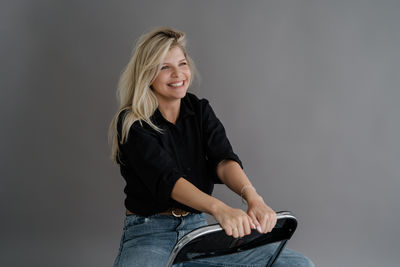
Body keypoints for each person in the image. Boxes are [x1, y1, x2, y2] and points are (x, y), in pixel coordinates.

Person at [109, 26, 314, 267]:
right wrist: (219, 209)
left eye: (182, 64)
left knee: (297, 265)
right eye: (165, 67)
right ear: (147, 74)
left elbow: (223, 159)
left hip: (198, 232)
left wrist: (253, 198)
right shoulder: (132, 122)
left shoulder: (199, 110)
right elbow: (168, 180)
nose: (178, 74)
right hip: (149, 235)